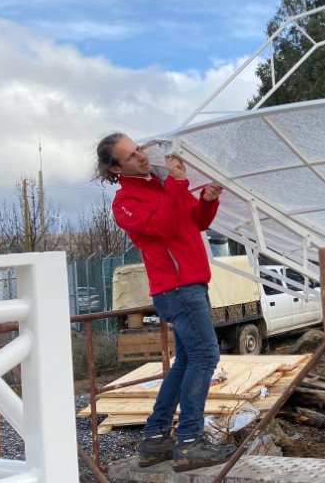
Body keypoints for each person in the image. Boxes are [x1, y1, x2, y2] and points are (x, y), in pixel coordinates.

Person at [94, 133, 236, 472]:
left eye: (139, 149)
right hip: (176, 287)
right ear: (116, 168)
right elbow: (163, 225)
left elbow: (194, 222)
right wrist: (177, 184)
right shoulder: (125, 202)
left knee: (188, 358)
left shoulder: (160, 185)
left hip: (191, 282)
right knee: (205, 355)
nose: (141, 157)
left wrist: (207, 200)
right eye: (130, 156)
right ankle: (189, 441)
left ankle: (156, 438)